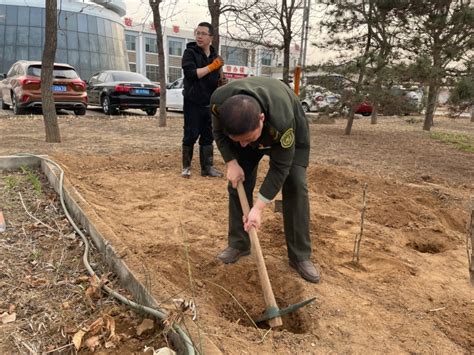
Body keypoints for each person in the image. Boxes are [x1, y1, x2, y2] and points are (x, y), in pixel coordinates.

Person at [210, 77, 320, 283]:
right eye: (238, 140)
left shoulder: (282, 121)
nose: (243, 145)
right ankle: (239, 244)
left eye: (248, 139)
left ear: (261, 118)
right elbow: (218, 132)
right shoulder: (219, 102)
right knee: (237, 183)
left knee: (295, 184)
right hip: (246, 127)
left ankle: (299, 256)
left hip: (290, 132)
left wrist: (258, 208)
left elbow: (280, 167)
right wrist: (231, 162)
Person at [181, 22, 223, 178]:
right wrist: (212, 67)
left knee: (208, 135)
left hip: (209, 102)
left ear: (210, 37)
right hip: (193, 101)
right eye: (197, 33)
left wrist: (221, 82)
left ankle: (207, 167)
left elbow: (216, 79)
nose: (199, 36)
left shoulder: (215, 56)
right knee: (191, 134)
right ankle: (186, 167)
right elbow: (191, 74)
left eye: (203, 33)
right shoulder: (189, 53)